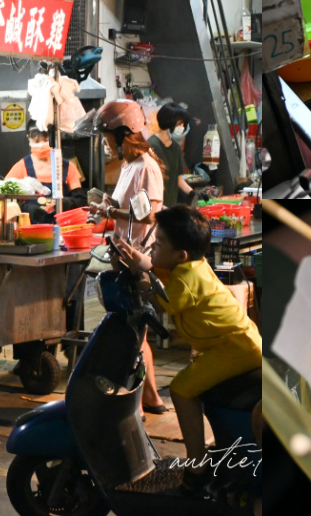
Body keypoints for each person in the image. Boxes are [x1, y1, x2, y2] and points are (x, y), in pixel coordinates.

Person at [116, 206, 262, 493]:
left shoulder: (185, 281)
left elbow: (160, 299)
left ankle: (197, 465)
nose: (153, 249)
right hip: (235, 343)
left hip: (233, 349)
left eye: (158, 244)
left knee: (181, 389)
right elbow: (154, 266)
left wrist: (141, 279)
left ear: (180, 255)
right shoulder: (190, 265)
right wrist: (136, 258)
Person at [89, 99, 168, 414]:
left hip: (138, 259)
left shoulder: (146, 166)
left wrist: (111, 211)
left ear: (123, 133)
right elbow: (129, 208)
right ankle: (149, 397)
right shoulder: (129, 166)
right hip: (123, 254)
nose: (106, 142)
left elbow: (147, 215)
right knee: (133, 332)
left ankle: (146, 399)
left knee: (135, 332)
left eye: (108, 136)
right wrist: (107, 205)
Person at [6, 125, 85, 222]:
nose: (41, 145)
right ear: (29, 139)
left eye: (46, 140)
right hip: (30, 228)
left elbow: (82, 202)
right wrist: (26, 209)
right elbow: (6, 203)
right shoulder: (20, 167)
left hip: (62, 227)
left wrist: (68, 203)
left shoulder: (68, 167)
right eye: (37, 141)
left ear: (53, 140)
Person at [149, 103, 194, 207]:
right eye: (180, 124)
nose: (182, 127)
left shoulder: (176, 148)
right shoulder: (151, 146)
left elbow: (178, 179)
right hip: (155, 208)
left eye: (183, 124)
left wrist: (192, 192)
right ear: (168, 122)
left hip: (170, 207)